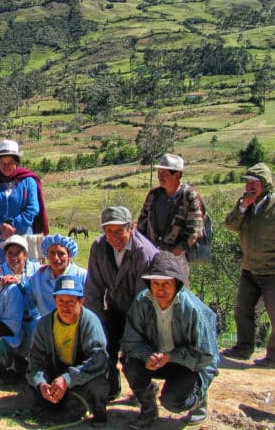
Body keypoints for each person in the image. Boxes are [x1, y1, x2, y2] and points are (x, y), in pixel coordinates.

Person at [121, 251, 219, 428]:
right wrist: (147, 355)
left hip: (188, 365)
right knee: (130, 363)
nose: (160, 289)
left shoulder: (193, 310)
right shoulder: (141, 302)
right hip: (156, 359)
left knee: (173, 402)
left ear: (177, 284)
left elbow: (207, 357)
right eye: (155, 283)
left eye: (166, 284)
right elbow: (130, 342)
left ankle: (198, 400)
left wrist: (172, 356)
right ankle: (148, 408)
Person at [85, 206, 158, 400]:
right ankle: (111, 387)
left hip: (145, 314)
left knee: (133, 353)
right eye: (109, 231)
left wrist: (130, 336)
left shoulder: (144, 252)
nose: (114, 236)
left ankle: (145, 394)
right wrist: (96, 324)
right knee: (101, 344)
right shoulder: (99, 247)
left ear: (131, 228)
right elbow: (93, 289)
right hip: (116, 307)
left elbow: (143, 299)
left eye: (119, 231)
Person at [26, 274, 109, 427]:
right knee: (33, 395)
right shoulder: (44, 325)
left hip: (81, 374)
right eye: (61, 301)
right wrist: (41, 383)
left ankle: (98, 410)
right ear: (54, 300)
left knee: (98, 385)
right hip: (56, 373)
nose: (65, 307)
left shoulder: (90, 322)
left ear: (81, 301)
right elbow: (35, 359)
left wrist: (67, 379)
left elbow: (98, 360)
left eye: (71, 301)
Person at [222, 162, 275, 367]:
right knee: (242, 310)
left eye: (255, 183)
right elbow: (230, 224)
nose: (250, 187)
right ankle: (243, 348)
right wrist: (242, 207)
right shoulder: (245, 206)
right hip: (249, 267)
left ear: (265, 184)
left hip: (271, 270)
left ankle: (273, 357)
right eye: (248, 183)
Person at [136, 153, 204, 285]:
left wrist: (179, 250)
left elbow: (196, 230)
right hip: (152, 254)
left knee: (178, 293)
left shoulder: (189, 195)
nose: (160, 176)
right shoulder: (153, 194)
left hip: (177, 257)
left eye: (165, 173)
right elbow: (142, 223)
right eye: (159, 172)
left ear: (177, 175)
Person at [0, 139, 49, 251]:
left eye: (10, 163)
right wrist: (1, 226)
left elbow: (33, 208)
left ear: (17, 163)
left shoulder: (28, 181)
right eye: (3, 163)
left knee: (27, 267)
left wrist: (13, 226)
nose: (6, 166)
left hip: (24, 234)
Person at [27, 234, 87, 323]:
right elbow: (28, 303)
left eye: (61, 254)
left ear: (69, 255)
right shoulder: (38, 278)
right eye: (52, 253)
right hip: (47, 329)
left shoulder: (82, 275)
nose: (56, 258)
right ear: (46, 254)